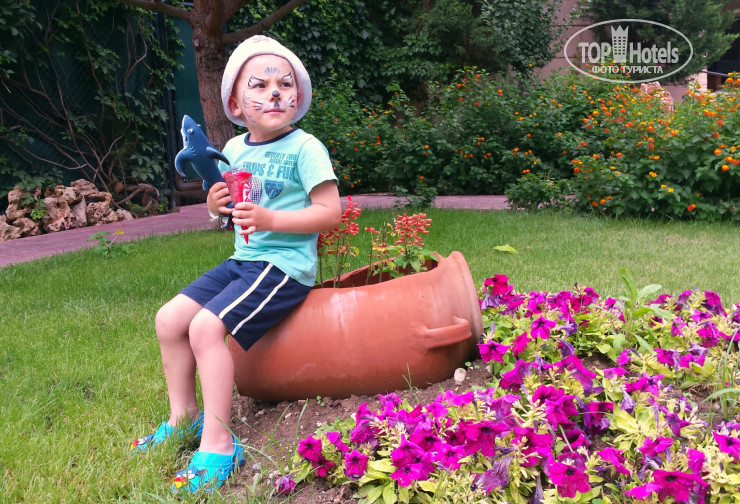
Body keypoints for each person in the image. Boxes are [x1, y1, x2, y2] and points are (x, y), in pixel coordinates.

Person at [130, 35, 341, 495]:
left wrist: (271, 219)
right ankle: (184, 417)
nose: (275, 93)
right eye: (259, 85)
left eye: (285, 84)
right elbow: (231, 213)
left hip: (283, 267)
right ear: (235, 104)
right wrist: (215, 205)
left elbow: (330, 213)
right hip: (244, 261)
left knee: (205, 329)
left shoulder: (306, 148)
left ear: (299, 96)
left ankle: (220, 443)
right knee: (169, 320)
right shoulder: (236, 149)